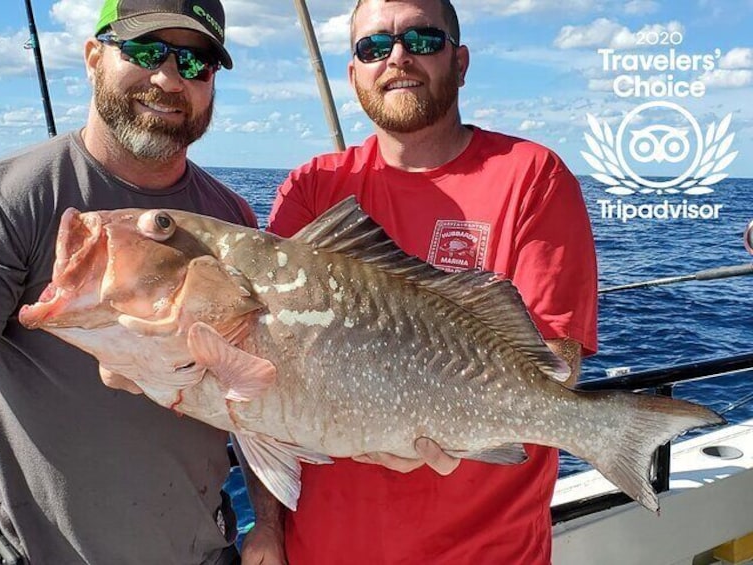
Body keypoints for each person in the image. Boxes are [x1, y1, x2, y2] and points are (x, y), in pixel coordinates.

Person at [240, 0, 598, 563]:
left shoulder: (533, 176)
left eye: (422, 41)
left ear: (461, 62)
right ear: (354, 72)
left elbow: (559, 362)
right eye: (374, 47)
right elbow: (259, 377)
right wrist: (266, 526)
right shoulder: (312, 189)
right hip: (322, 550)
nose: (398, 58)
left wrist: (436, 410)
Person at [0, 0, 255, 562]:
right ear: (93, 57)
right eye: (144, 51)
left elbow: (256, 392)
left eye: (195, 64)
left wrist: (271, 528)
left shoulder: (233, 217)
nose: (168, 77)